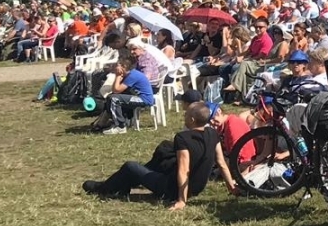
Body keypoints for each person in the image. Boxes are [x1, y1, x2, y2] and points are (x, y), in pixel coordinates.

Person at [82, 102, 226, 209]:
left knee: (130, 167)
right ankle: (123, 186)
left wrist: (181, 200)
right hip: (197, 188)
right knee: (165, 150)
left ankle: (103, 189)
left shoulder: (183, 137)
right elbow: (221, 163)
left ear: (192, 120)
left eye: (186, 114)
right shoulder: (212, 134)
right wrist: (232, 187)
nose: (184, 116)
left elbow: (183, 170)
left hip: (171, 189)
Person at [96, 54, 156, 135]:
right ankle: (104, 122)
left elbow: (117, 90)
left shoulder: (133, 75)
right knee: (111, 97)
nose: (114, 67)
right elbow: (116, 90)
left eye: (117, 65)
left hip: (144, 99)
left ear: (123, 67)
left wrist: (117, 76)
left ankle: (120, 127)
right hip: (136, 96)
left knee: (114, 99)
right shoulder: (127, 75)